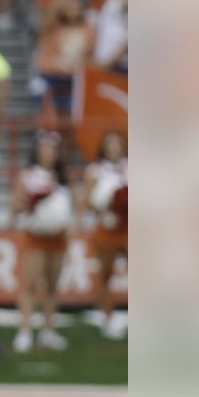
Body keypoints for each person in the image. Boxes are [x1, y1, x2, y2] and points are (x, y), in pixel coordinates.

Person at [12, 131, 73, 353]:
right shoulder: (27, 176)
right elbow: (15, 207)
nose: (48, 153)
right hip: (35, 237)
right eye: (44, 148)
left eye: (52, 149)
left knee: (52, 285)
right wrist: (31, 203)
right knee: (29, 284)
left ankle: (48, 331)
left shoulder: (63, 179)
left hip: (57, 238)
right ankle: (25, 331)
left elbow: (70, 209)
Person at [81, 129, 128, 340]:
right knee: (104, 275)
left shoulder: (131, 166)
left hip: (131, 226)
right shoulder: (96, 169)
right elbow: (89, 201)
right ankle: (108, 318)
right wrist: (104, 209)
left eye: (117, 143)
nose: (114, 148)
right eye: (110, 144)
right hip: (107, 228)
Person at [35, 0, 94, 119]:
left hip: (73, 79)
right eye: (69, 5)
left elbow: (90, 55)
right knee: (47, 119)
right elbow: (49, 9)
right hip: (50, 77)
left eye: (76, 4)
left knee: (69, 118)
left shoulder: (88, 29)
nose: (72, 8)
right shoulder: (53, 26)